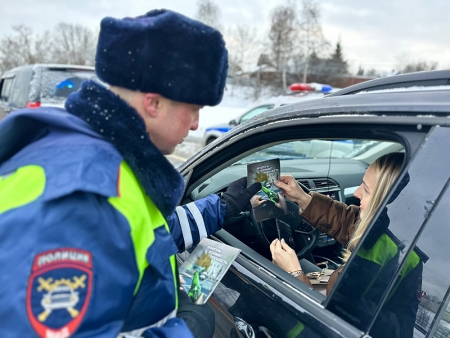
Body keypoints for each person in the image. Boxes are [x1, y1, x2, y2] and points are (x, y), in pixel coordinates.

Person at [0, 10, 260, 338]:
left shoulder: (105, 161)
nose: (196, 124)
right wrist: (185, 331)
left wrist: (222, 207)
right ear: (154, 104)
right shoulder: (84, 198)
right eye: (193, 110)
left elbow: (142, 235)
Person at [269, 152, 424, 338]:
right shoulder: (384, 227)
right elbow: (348, 220)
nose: (357, 193)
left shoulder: (386, 258)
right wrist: (302, 197)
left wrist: (294, 275)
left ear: (385, 200)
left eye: (366, 190)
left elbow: (335, 319)